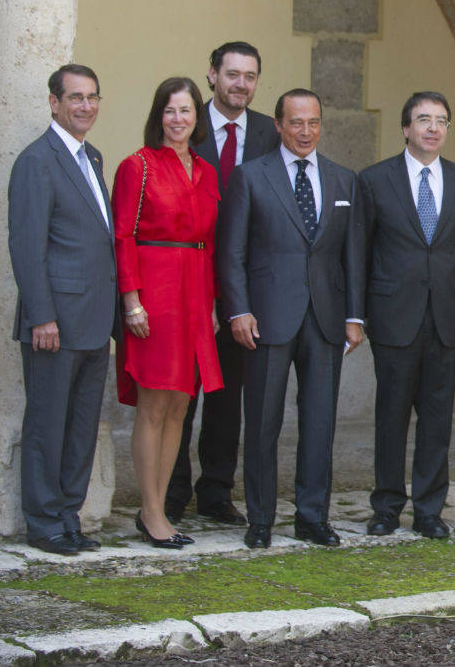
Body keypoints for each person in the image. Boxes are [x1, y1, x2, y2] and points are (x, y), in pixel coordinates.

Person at [216, 89, 365, 549]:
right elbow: (231, 252)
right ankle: (260, 519)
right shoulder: (250, 176)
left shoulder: (343, 179)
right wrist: (238, 309)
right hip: (266, 318)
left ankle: (312, 517)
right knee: (262, 422)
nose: (305, 131)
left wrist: (354, 316)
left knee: (320, 423)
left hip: (326, 318)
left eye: (313, 122)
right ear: (278, 125)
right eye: (296, 122)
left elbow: (352, 255)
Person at [8, 64, 119, 556]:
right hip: (54, 323)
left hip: (94, 321)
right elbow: (27, 246)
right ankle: (44, 523)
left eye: (92, 97)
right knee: (47, 427)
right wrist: (41, 316)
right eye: (75, 97)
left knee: (81, 428)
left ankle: (69, 517)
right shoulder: (37, 160)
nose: (85, 106)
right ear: (54, 103)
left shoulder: (91, 156)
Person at [360, 92, 455, 540]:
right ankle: (386, 506)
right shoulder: (374, 180)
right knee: (390, 417)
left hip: (444, 318)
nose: (433, 128)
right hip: (393, 317)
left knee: (437, 419)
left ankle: (429, 509)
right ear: (405, 128)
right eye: (423, 119)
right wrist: (359, 315)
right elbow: (361, 252)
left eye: (441, 120)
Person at [166, 41, 277, 527]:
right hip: (188, 281)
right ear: (212, 75)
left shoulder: (269, 134)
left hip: (245, 288)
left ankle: (215, 491)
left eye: (250, 76)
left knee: (228, 395)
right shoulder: (185, 125)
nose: (241, 85)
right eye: (232, 74)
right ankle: (171, 492)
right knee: (180, 392)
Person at [113, 77, 225, 549]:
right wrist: (131, 300)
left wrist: (212, 304)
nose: (178, 119)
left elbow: (210, 244)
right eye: (170, 110)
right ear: (158, 115)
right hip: (154, 295)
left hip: (195, 292)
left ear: (198, 117)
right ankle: (151, 510)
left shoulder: (206, 172)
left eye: (186, 110)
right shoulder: (136, 166)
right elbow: (122, 236)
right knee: (154, 405)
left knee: (181, 406)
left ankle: (156, 508)